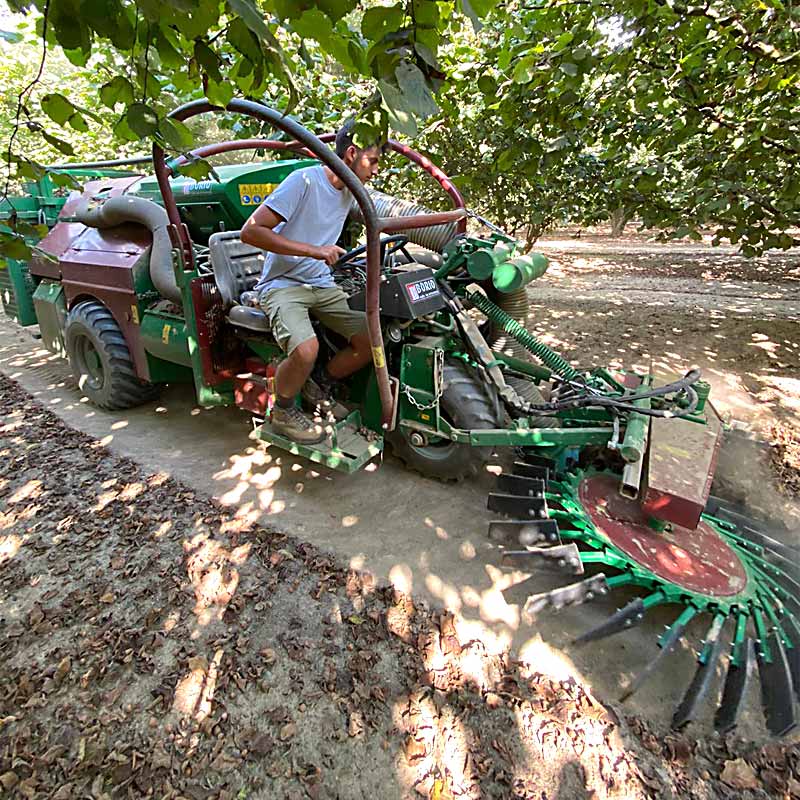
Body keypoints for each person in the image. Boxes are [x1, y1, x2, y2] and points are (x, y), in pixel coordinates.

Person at [240, 121, 383, 444]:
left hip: (320, 283)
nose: (376, 171)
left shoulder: (352, 190)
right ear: (351, 153)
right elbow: (251, 231)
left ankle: (318, 383)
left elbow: (386, 213)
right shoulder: (303, 181)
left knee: (371, 340)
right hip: (282, 285)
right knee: (306, 350)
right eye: (373, 161)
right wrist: (313, 250)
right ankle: (283, 409)